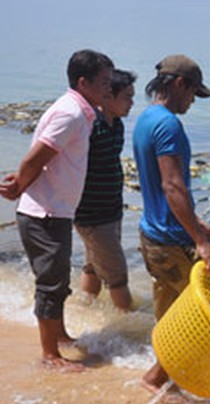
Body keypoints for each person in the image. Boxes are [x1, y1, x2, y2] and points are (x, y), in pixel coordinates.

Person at [0, 49, 114, 372]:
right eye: (104, 82)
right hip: (44, 212)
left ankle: (59, 335)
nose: (109, 87)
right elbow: (36, 156)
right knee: (50, 283)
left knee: (59, 279)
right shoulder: (71, 114)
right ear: (83, 82)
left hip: (56, 210)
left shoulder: (79, 111)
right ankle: (50, 355)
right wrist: (19, 185)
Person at [133, 54, 210, 404]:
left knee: (170, 315)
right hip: (169, 241)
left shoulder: (146, 119)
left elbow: (158, 186)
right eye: (193, 94)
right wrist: (200, 240)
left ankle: (164, 377)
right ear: (179, 84)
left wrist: (195, 220)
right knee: (202, 316)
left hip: (152, 233)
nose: (193, 102)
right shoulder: (168, 125)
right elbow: (172, 186)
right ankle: (156, 377)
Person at [74, 69, 137, 312]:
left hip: (110, 210)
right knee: (117, 275)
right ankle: (129, 330)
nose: (132, 102)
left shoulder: (117, 125)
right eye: (127, 97)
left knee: (93, 265)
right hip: (92, 214)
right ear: (108, 97)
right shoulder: (92, 126)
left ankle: (85, 308)